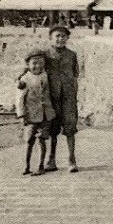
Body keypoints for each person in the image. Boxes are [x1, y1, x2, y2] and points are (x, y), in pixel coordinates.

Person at [45, 26, 80, 173]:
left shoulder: (72, 55)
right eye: (57, 36)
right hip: (52, 97)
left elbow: (75, 74)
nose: (60, 39)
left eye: (63, 36)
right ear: (51, 38)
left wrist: (73, 95)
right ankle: (51, 160)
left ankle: (71, 160)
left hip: (68, 98)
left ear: (67, 38)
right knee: (53, 130)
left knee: (70, 129)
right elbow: (32, 69)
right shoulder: (45, 55)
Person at [16, 48, 56, 176]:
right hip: (31, 116)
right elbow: (20, 99)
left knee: (42, 140)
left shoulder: (46, 75)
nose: (37, 66)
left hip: (45, 115)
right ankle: (26, 166)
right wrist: (21, 115)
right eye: (34, 63)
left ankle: (40, 166)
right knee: (29, 141)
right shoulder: (25, 80)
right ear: (28, 64)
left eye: (40, 63)